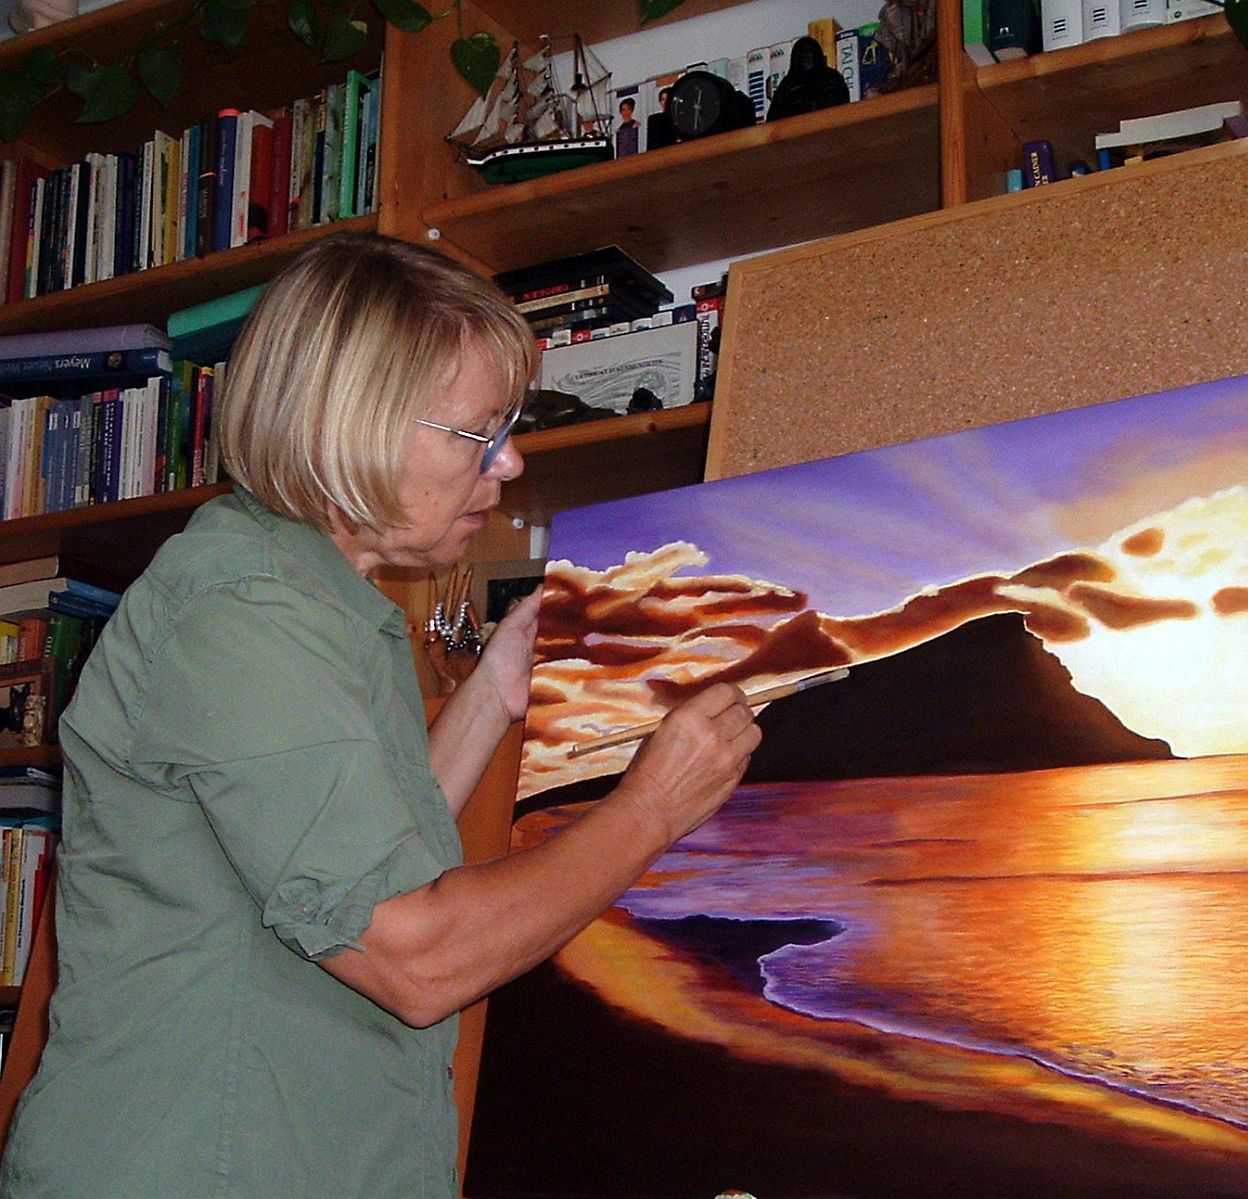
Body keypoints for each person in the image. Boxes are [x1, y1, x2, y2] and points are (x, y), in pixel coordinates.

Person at [0, 231, 761, 1197]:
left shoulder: (320, 602)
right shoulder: (244, 612)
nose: (511, 460)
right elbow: (417, 956)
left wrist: (489, 693)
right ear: (350, 424)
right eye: (478, 433)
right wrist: (652, 808)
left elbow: (352, 857)